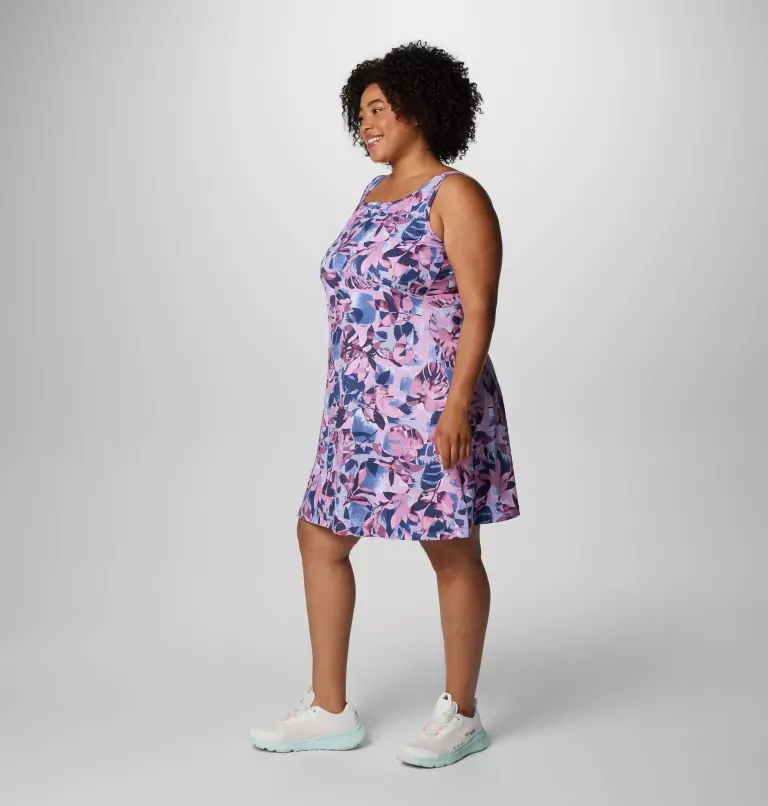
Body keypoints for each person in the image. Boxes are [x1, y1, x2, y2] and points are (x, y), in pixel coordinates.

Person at [250, 40, 520, 768]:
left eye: (377, 109)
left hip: (430, 405)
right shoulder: (372, 195)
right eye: (360, 112)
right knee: (319, 535)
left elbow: (479, 306)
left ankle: (462, 713)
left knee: (452, 550)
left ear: (418, 109)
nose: (364, 124)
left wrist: (457, 404)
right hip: (355, 409)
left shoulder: (456, 194)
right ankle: (329, 709)